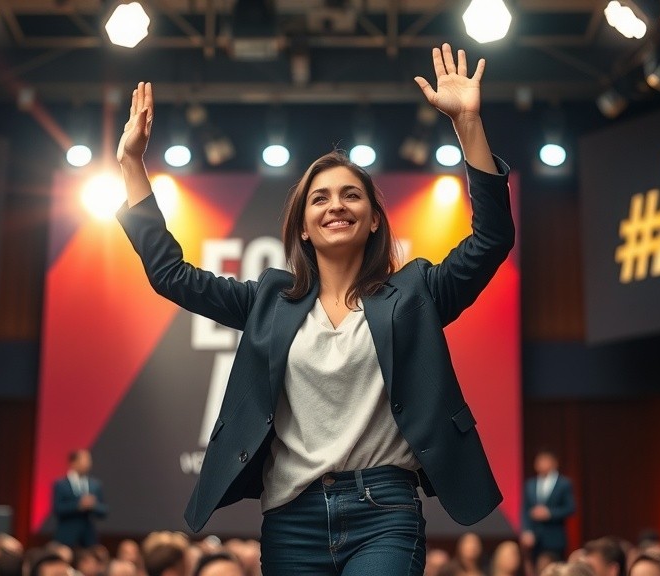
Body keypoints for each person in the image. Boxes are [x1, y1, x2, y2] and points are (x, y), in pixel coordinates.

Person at [115, 41, 513, 576]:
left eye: (352, 195)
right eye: (319, 198)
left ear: (374, 218)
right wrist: (131, 164)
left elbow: (491, 240)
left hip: (384, 510)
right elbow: (171, 275)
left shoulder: (416, 293)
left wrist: (468, 124)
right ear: (303, 226)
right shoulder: (268, 301)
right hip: (292, 517)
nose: (336, 205)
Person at [521, 451, 576, 561]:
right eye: (539, 461)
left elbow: (570, 508)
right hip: (535, 539)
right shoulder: (530, 484)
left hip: (555, 538)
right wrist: (527, 530)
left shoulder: (564, 483)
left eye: (545, 460)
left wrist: (549, 513)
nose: (542, 464)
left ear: (554, 463)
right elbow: (525, 510)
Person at [51, 449, 108, 548]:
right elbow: (57, 508)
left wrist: (93, 505)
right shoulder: (61, 484)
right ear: (73, 463)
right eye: (84, 460)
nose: (88, 463)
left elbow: (104, 510)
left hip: (89, 538)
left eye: (89, 460)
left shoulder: (95, 485)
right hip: (66, 536)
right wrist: (78, 505)